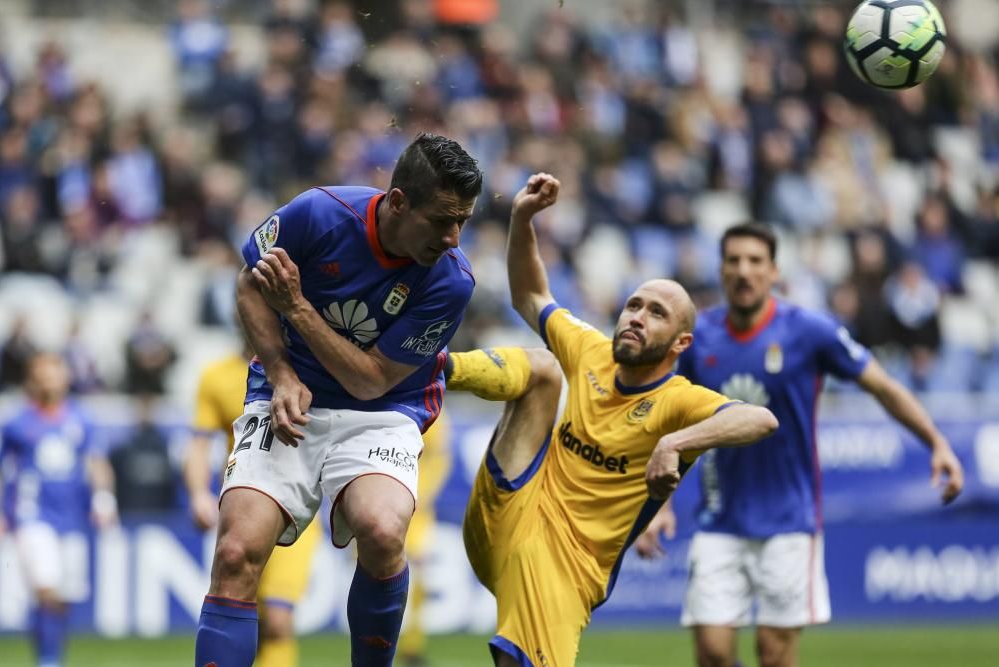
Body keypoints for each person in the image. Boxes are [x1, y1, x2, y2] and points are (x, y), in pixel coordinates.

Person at [447, 173, 779, 667]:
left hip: (572, 564)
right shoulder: (592, 351)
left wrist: (674, 444)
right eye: (634, 305)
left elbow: (761, 420)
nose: (637, 316)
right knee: (542, 369)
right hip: (510, 508)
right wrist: (522, 218)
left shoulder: (678, 401)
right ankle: (433, 368)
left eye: (657, 313)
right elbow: (531, 297)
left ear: (681, 343)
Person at [194, 132, 483, 667]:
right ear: (398, 202)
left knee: (381, 529)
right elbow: (250, 286)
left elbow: (371, 381)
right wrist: (280, 371)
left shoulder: (452, 281)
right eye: (443, 219)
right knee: (235, 553)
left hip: (381, 411)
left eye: (463, 219)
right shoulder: (317, 215)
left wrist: (300, 310)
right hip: (286, 397)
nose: (453, 236)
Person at [635, 222, 965, 667]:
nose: (743, 271)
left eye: (755, 261)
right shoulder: (699, 339)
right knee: (712, 654)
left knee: (774, 656)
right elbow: (667, 419)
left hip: (789, 522)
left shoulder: (809, 331)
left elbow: (883, 387)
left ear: (773, 271)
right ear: (721, 269)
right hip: (719, 520)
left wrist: (937, 442)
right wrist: (662, 505)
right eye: (733, 260)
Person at [184, 342, 320, 667]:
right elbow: (200, 443)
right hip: (245, 504)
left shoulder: (310, 365)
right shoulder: (216, 376)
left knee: (277, 618)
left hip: (296, 504)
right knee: (243, 613)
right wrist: (197, 494)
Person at [0, 352, 117, 667]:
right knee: (46, 587)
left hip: (72, 518)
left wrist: (104, 498)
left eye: (55, 372)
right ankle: (48, 660)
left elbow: (96, 462)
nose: (49, 379)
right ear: (33, 379)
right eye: (43, 373)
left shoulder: (82, 419)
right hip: (32, 516)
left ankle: (51, 655)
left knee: (63, 597)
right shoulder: (17, 424)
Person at [398, 408, 452, 667]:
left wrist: (424, 492)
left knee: (417, 572)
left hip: (418, 509)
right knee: (378, 571)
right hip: (387, 498)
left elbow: (440, 458)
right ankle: (376, 639)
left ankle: (412, 644)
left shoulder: (436, 412)